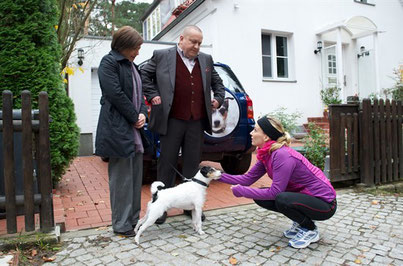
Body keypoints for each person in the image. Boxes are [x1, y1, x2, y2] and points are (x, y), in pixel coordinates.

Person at [141, 25, 225, 224]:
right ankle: (160, 209)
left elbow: (218, 83)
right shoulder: (162, 56)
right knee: (166, 165)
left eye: (199, 43)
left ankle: (190, 207)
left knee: (191, 166)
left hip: (196, 122)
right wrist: (153, 95)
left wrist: (218, 99)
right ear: (181, 39)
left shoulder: (206, 60)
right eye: (193, 42)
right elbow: (144, 75)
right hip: (171, 120)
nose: (196, 46)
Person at [218, 115, 337, 249]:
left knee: (281, 198)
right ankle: (301, 220)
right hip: (306, 198)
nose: (251, 133)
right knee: (261, 196)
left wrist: (243, 192)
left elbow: (276, 192)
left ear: (266, 137)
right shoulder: (267, 153)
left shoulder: (282, 155)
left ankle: (309, 229)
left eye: (255, 130)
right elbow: (247, 179)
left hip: (325, 204)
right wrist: (216, 175)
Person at [95, 26, 147, 237]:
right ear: (124, 46)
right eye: (136, 48)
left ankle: (133, 220)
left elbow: (141, 94)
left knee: (135, 179)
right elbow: (115, 94)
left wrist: (143, 113)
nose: (138, 52)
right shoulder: (109, 63)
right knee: (121, 180)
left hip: (134, 131)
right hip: (118, 130)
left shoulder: (133, 66)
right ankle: (121, 224)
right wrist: (135, 117)